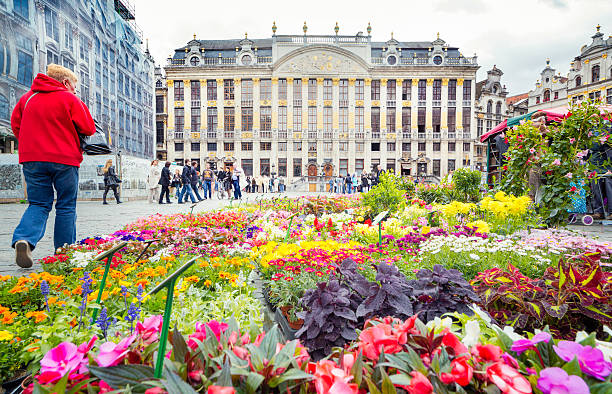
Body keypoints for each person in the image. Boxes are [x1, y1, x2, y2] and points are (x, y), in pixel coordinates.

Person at [10, 64, 96, 267]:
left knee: (38, 203)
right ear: (66, 83)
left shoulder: (26, 98)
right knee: (66, 205)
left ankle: (25, 240)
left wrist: (33, 145)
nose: (75, 90)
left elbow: (16, 126)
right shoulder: (69, 98)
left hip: (32, 159)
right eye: (74, 86)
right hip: (65, 160)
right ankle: (64, 253)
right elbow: (89, 128)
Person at [589, 126, 612, 220]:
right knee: (596, 187)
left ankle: (610, 211)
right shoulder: (590, 130)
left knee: (609, 187)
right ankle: (599, 211)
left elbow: (596, 145)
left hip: (607, 162)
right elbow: (592, 146)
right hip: (595, 163)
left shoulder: (607, 127)